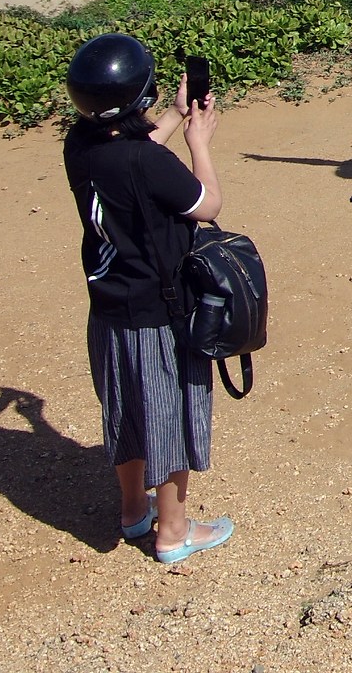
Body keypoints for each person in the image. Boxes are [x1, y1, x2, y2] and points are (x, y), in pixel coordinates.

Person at [61, 33, 232, 564]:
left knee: (127, 411)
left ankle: (134, 510)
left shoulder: (81, 147)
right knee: (170, 416)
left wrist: (176, 117)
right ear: (143, 95)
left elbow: (133, 157)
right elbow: (206, 205)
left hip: (110, 309)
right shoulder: (145, 162)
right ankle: (174, 531)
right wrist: (198, 139)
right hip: (161, 313)